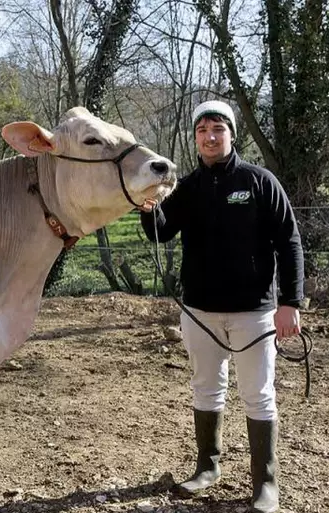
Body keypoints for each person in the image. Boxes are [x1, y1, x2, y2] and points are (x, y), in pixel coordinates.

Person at [139, 100, 304, 513]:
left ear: (231, 134)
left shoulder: (259, 182)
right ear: (195, 138)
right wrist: (146, 205)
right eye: (202, 131)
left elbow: (290, 241)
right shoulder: (188, 188)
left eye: (218, 129)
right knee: (206, 388)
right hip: (198, 310)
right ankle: (207, 467)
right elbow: (160, 232)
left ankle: (265, 483)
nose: (210, 137)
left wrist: (290, 302)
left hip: (255, 311)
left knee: (258, 395)